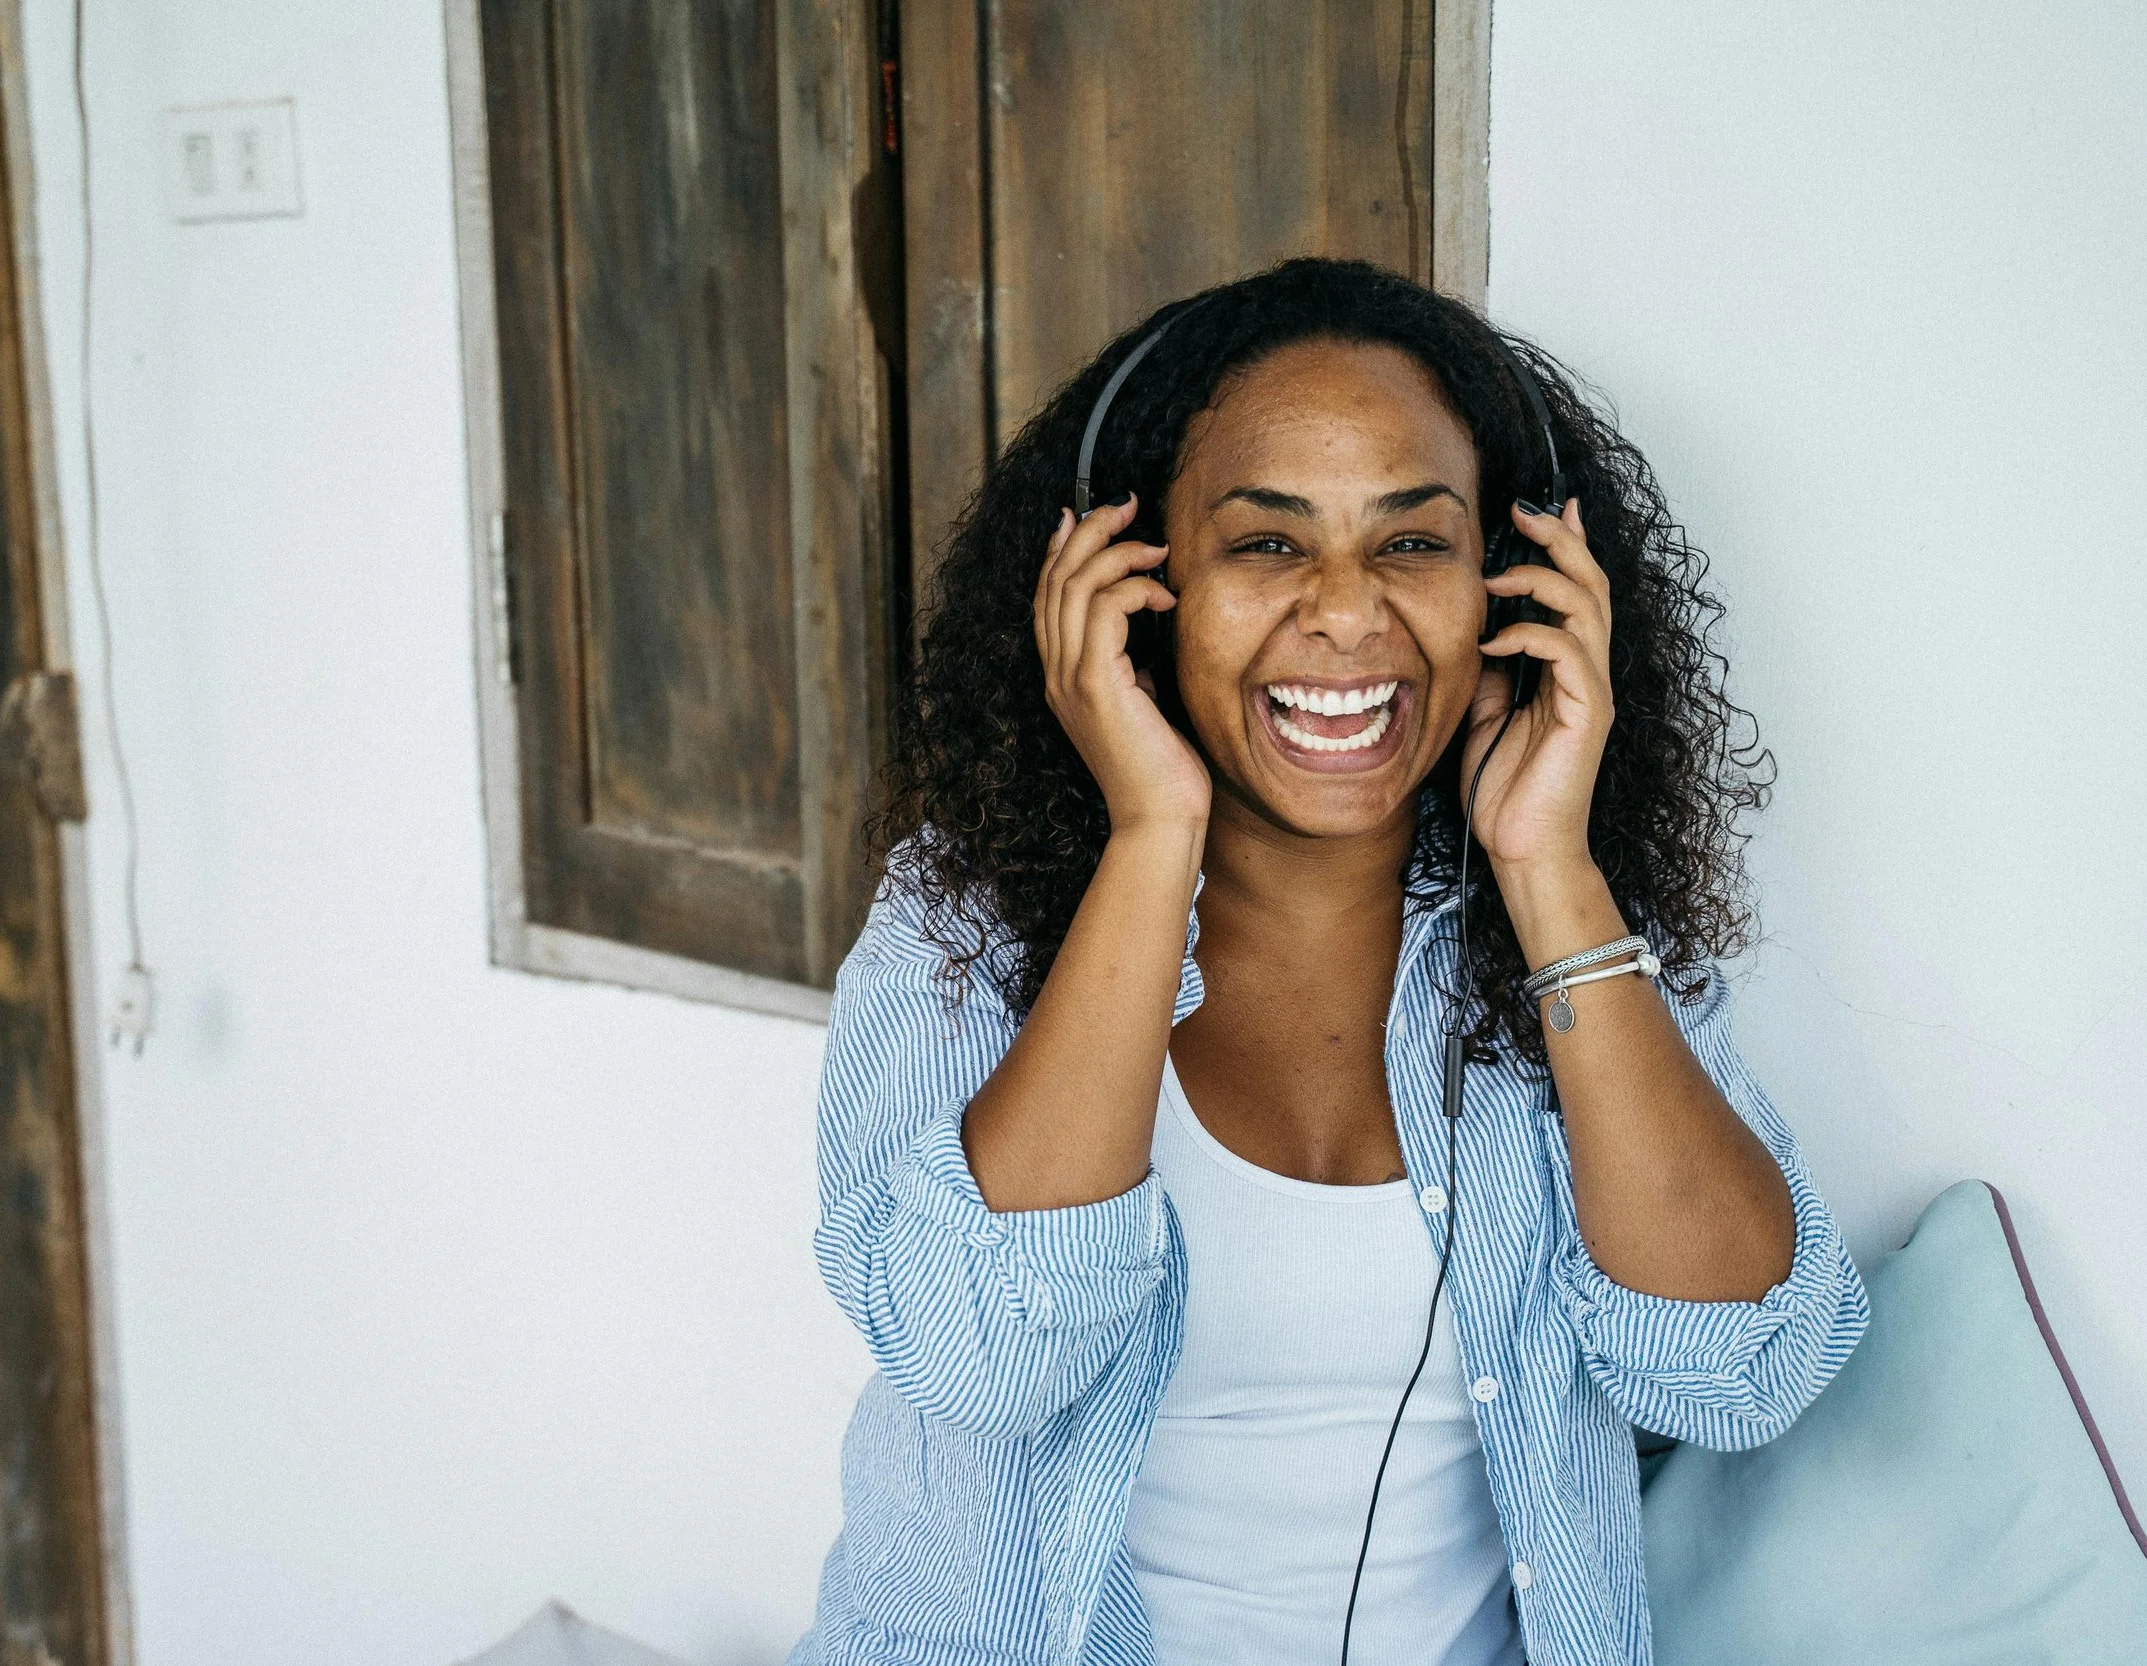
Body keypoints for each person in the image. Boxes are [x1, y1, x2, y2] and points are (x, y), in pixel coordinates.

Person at [788, 258, 1867, 1666]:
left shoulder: (1579, 940)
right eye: (1270, 545)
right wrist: (1149, 831)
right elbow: (988, 1357)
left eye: (1414, 544)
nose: (1349, 615)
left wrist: (1549, 866)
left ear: (1515, 586)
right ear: (1136, 588)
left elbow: (1741, 1374)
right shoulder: (963, 928)